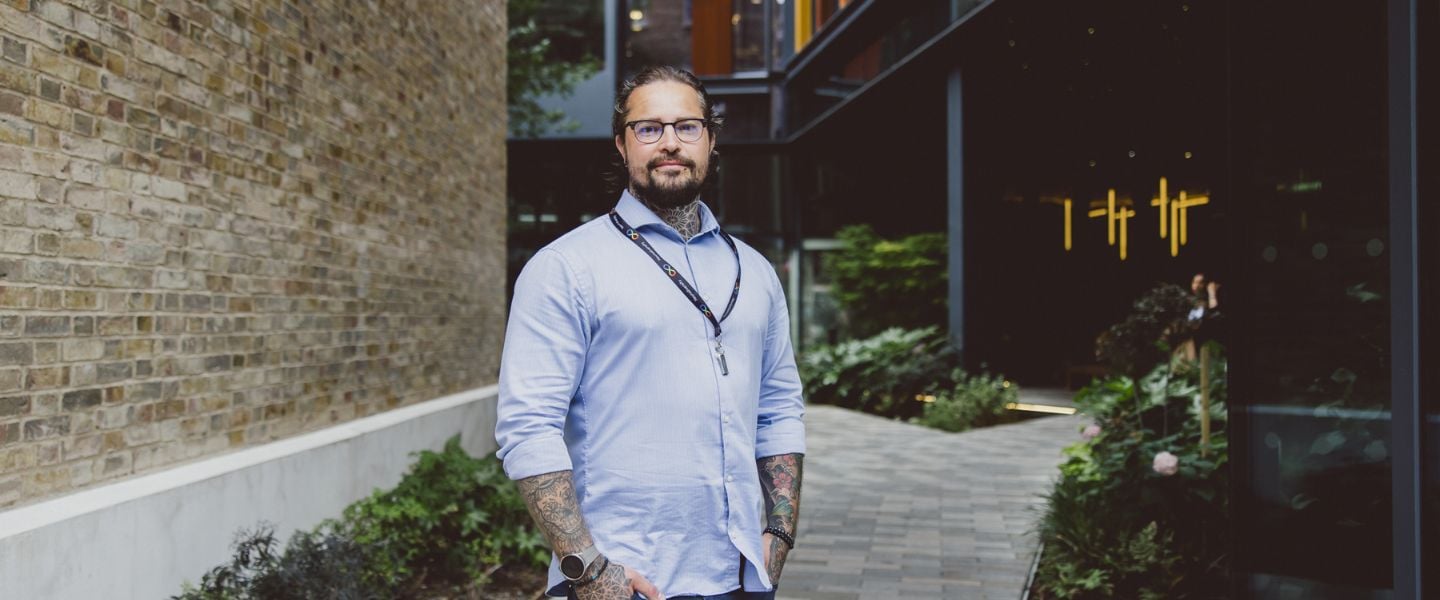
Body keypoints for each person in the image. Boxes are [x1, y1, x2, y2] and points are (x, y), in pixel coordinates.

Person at [495, 66, 806, 600]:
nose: (669, 143)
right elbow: (528, 428)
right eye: (648, 128)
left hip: (741, 577)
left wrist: (778, 534)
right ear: (622, 144)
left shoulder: (753, 271)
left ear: (710, 139)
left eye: (687, 127)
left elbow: (778, 408)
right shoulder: (567, 267)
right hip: (625, 581)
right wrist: (589, 571)